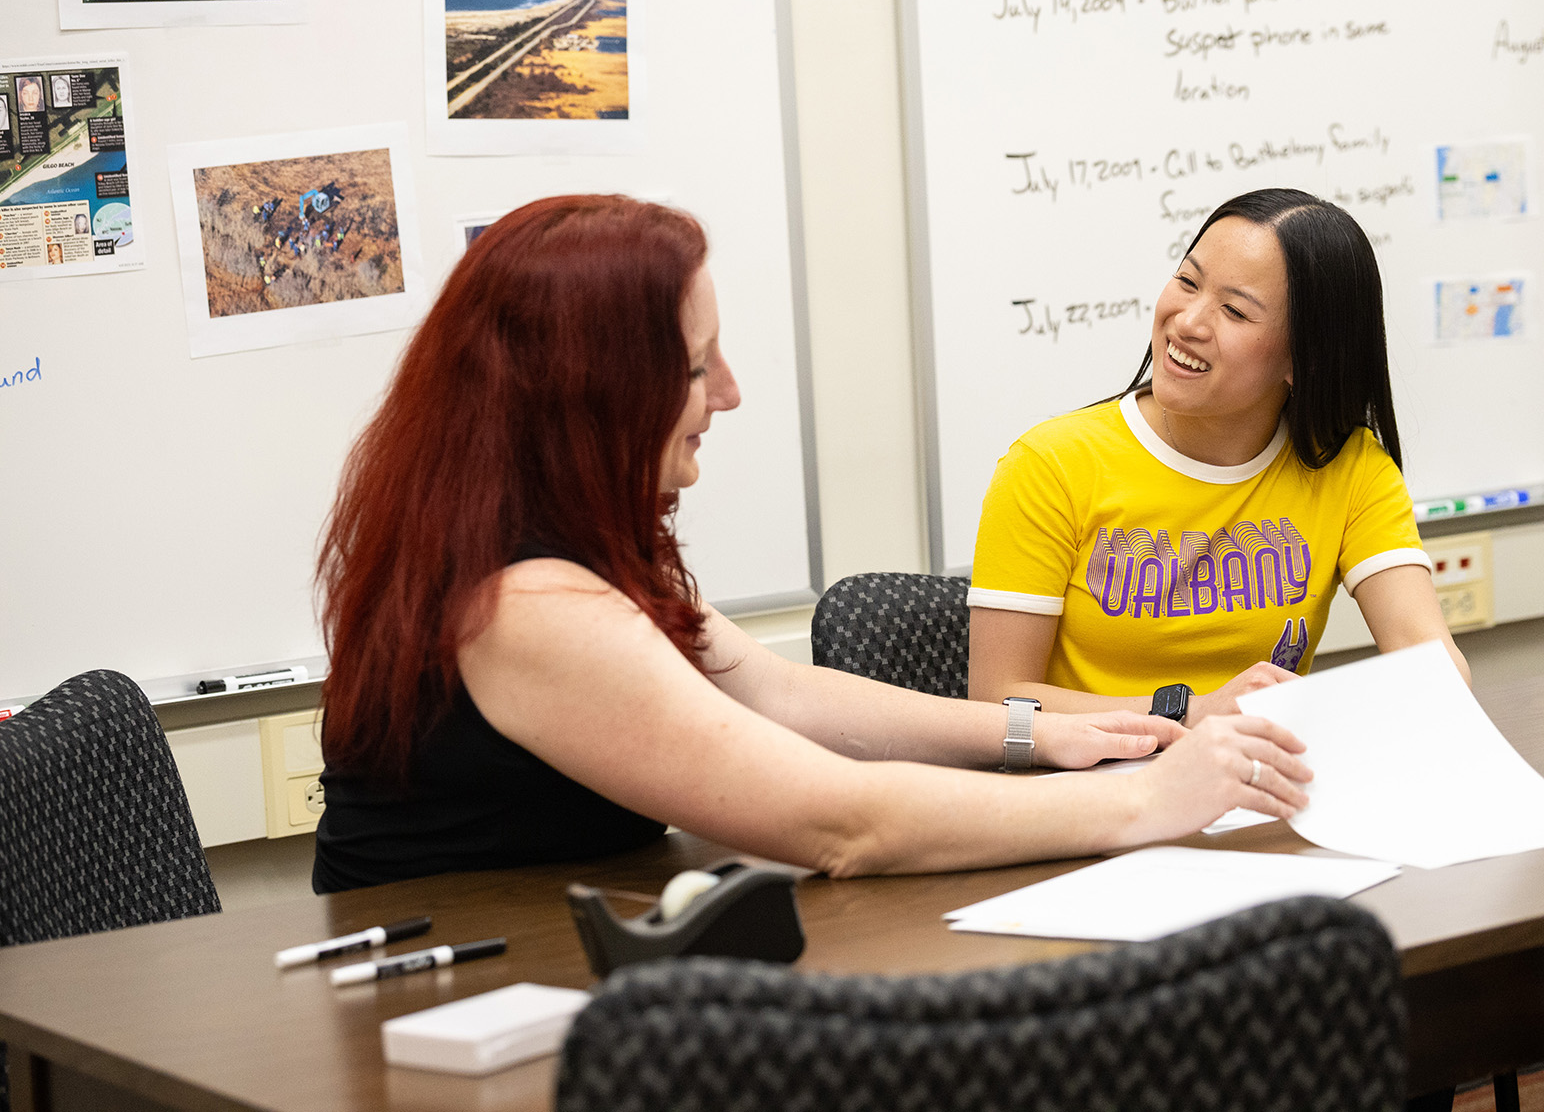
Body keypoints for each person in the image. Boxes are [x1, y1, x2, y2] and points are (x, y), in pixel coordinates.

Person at [311, 194, 1314, 893]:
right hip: (453, 1015)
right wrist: (1143, 801)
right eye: (698, 365)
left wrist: (1037, 735)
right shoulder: (528, 608)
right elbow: (840, 823)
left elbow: (777, 693)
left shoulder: (554, 545)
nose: (730, 393)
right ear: (593, 396)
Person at [967, 188, 1469, 725]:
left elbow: (1430, 660)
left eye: (1233, 310)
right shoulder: (1050, 464)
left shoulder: (1347, 466)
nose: (1187, 321)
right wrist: (1190, 711)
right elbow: (998, 698)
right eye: (1187, 281)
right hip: (1090, 789)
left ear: (1305, 359)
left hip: (1257, 789)